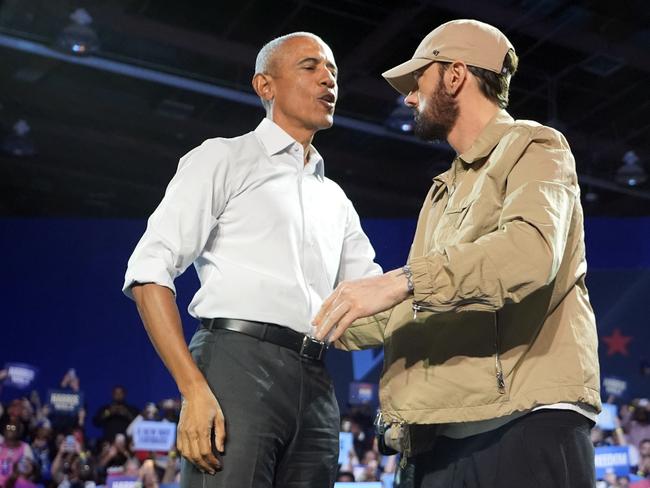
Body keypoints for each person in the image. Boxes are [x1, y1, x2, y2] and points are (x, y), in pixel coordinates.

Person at [314, 19, 601, 488]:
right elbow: (421, 302)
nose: (409, 98)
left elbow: (529, 253)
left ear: (455, 75)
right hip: (441, 436)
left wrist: (398, 281)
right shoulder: (443, 191)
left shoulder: (535, 145)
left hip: (522, 426)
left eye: (418, 81)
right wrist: (325, 317)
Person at [122, 31, 381, 488]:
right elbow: (149, 272)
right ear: (266, 86)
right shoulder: (223, 158)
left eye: (334, 71)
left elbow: (374, 298)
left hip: (317, 381)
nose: (329, 80)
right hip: (234, 366)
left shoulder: (336, 199)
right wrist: (193, 388)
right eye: (311, 66)